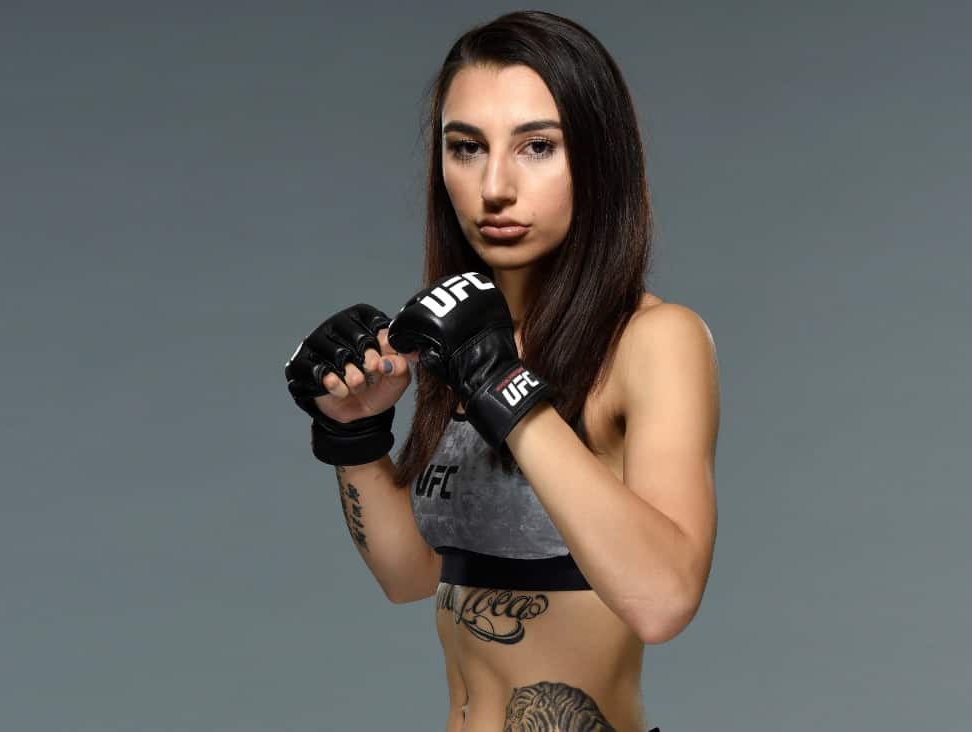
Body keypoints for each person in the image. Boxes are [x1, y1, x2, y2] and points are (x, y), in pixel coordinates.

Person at [284, 11, 718, 731]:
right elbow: (412, 578)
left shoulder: (652, 340)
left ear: (598, 159)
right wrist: (354, 437)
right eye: (465, 148)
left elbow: (663, 600)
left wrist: (505, 389)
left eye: (537, 147)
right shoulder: (457, 338)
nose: (493, 187)